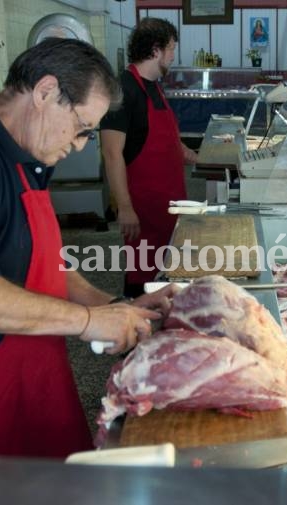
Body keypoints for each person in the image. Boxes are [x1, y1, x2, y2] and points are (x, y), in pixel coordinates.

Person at [0, 38, 179, 459]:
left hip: (21, 377)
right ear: (45, 92)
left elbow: (41, 265)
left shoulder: (24, 157)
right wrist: (85, 321)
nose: (81, 145)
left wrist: (115, 305)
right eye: (82, 128)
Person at [100, 18, 198, 298]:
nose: (173, 55)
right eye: (170, 49)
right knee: (141, 279)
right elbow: (111, 153)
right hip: (143, 211)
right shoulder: (124, 89)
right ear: (155, 50)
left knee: (165, 278)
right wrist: (125, 207)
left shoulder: (154, 85)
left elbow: (169, 142)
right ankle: (133, 335)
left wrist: (200, 159)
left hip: (169, 207)